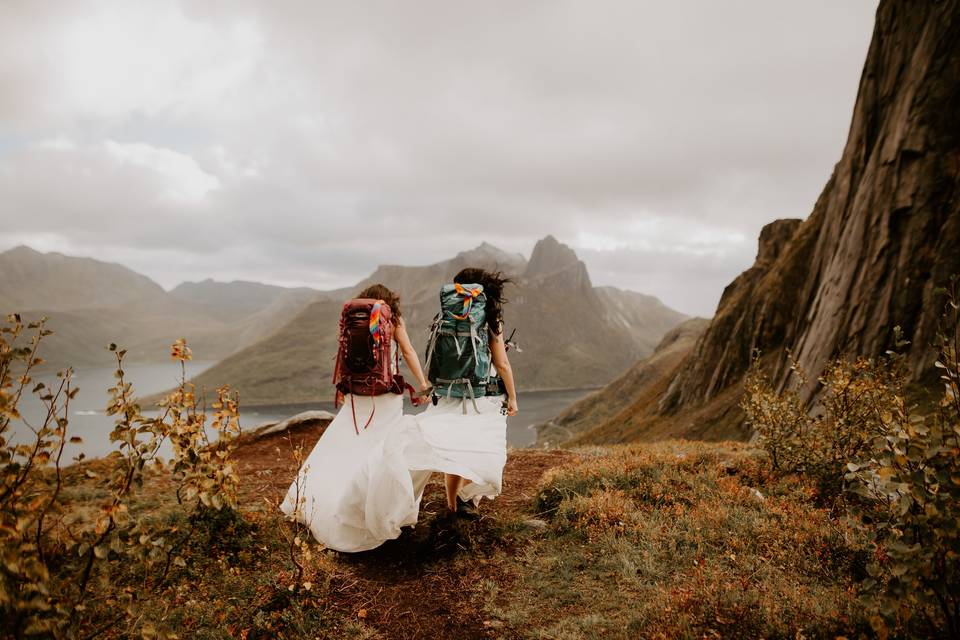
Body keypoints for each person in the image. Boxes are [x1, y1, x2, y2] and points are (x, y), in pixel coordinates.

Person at [279, 283, 432, 552]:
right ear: (389, 303)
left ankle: (309, 501)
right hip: (384, 397)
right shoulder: (392, 319)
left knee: (343, 444)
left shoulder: (352, 320)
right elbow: (407, 352)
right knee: (381, 448)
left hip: (355, 394)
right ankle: (369, 506)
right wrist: (423, 383)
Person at [418, 268, 518, 514]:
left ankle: (453, 506)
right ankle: (468, 499)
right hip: (482, 396)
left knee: (454, 452)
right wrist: (513, 397)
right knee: (484, 450)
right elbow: (502, 363)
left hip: (450, 392)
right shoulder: (491, 317)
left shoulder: (448, 314)